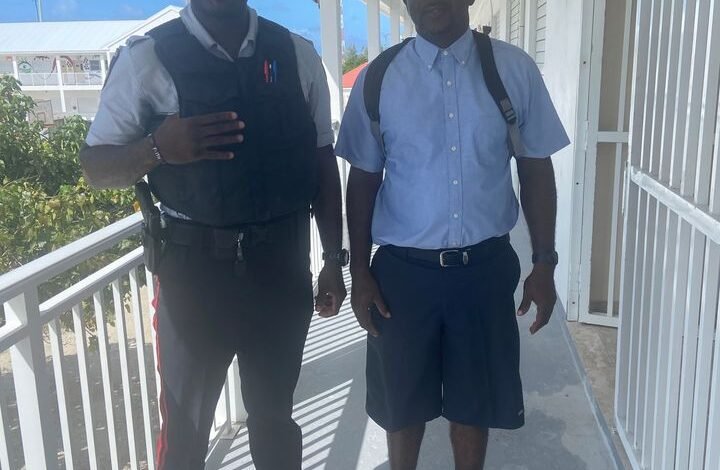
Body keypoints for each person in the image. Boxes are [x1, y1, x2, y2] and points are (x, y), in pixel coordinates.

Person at [79, 1, 348, 468]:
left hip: (281, 271)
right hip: (192, 277)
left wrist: (332, 260)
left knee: (275, 420)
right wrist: (158, 148)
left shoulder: (297, 54)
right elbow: (95, 167)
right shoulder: (148, 58)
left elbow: (322, 161)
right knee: (185, 432)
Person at [336, 0, 571, 468]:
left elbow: (536, 169)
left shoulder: (512, 69)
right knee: (402, 407)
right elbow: (361, 181)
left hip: (483, 272)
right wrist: (358, 272)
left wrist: (544, 262)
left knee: (474, 403)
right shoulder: (378, 79)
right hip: (402, 277)